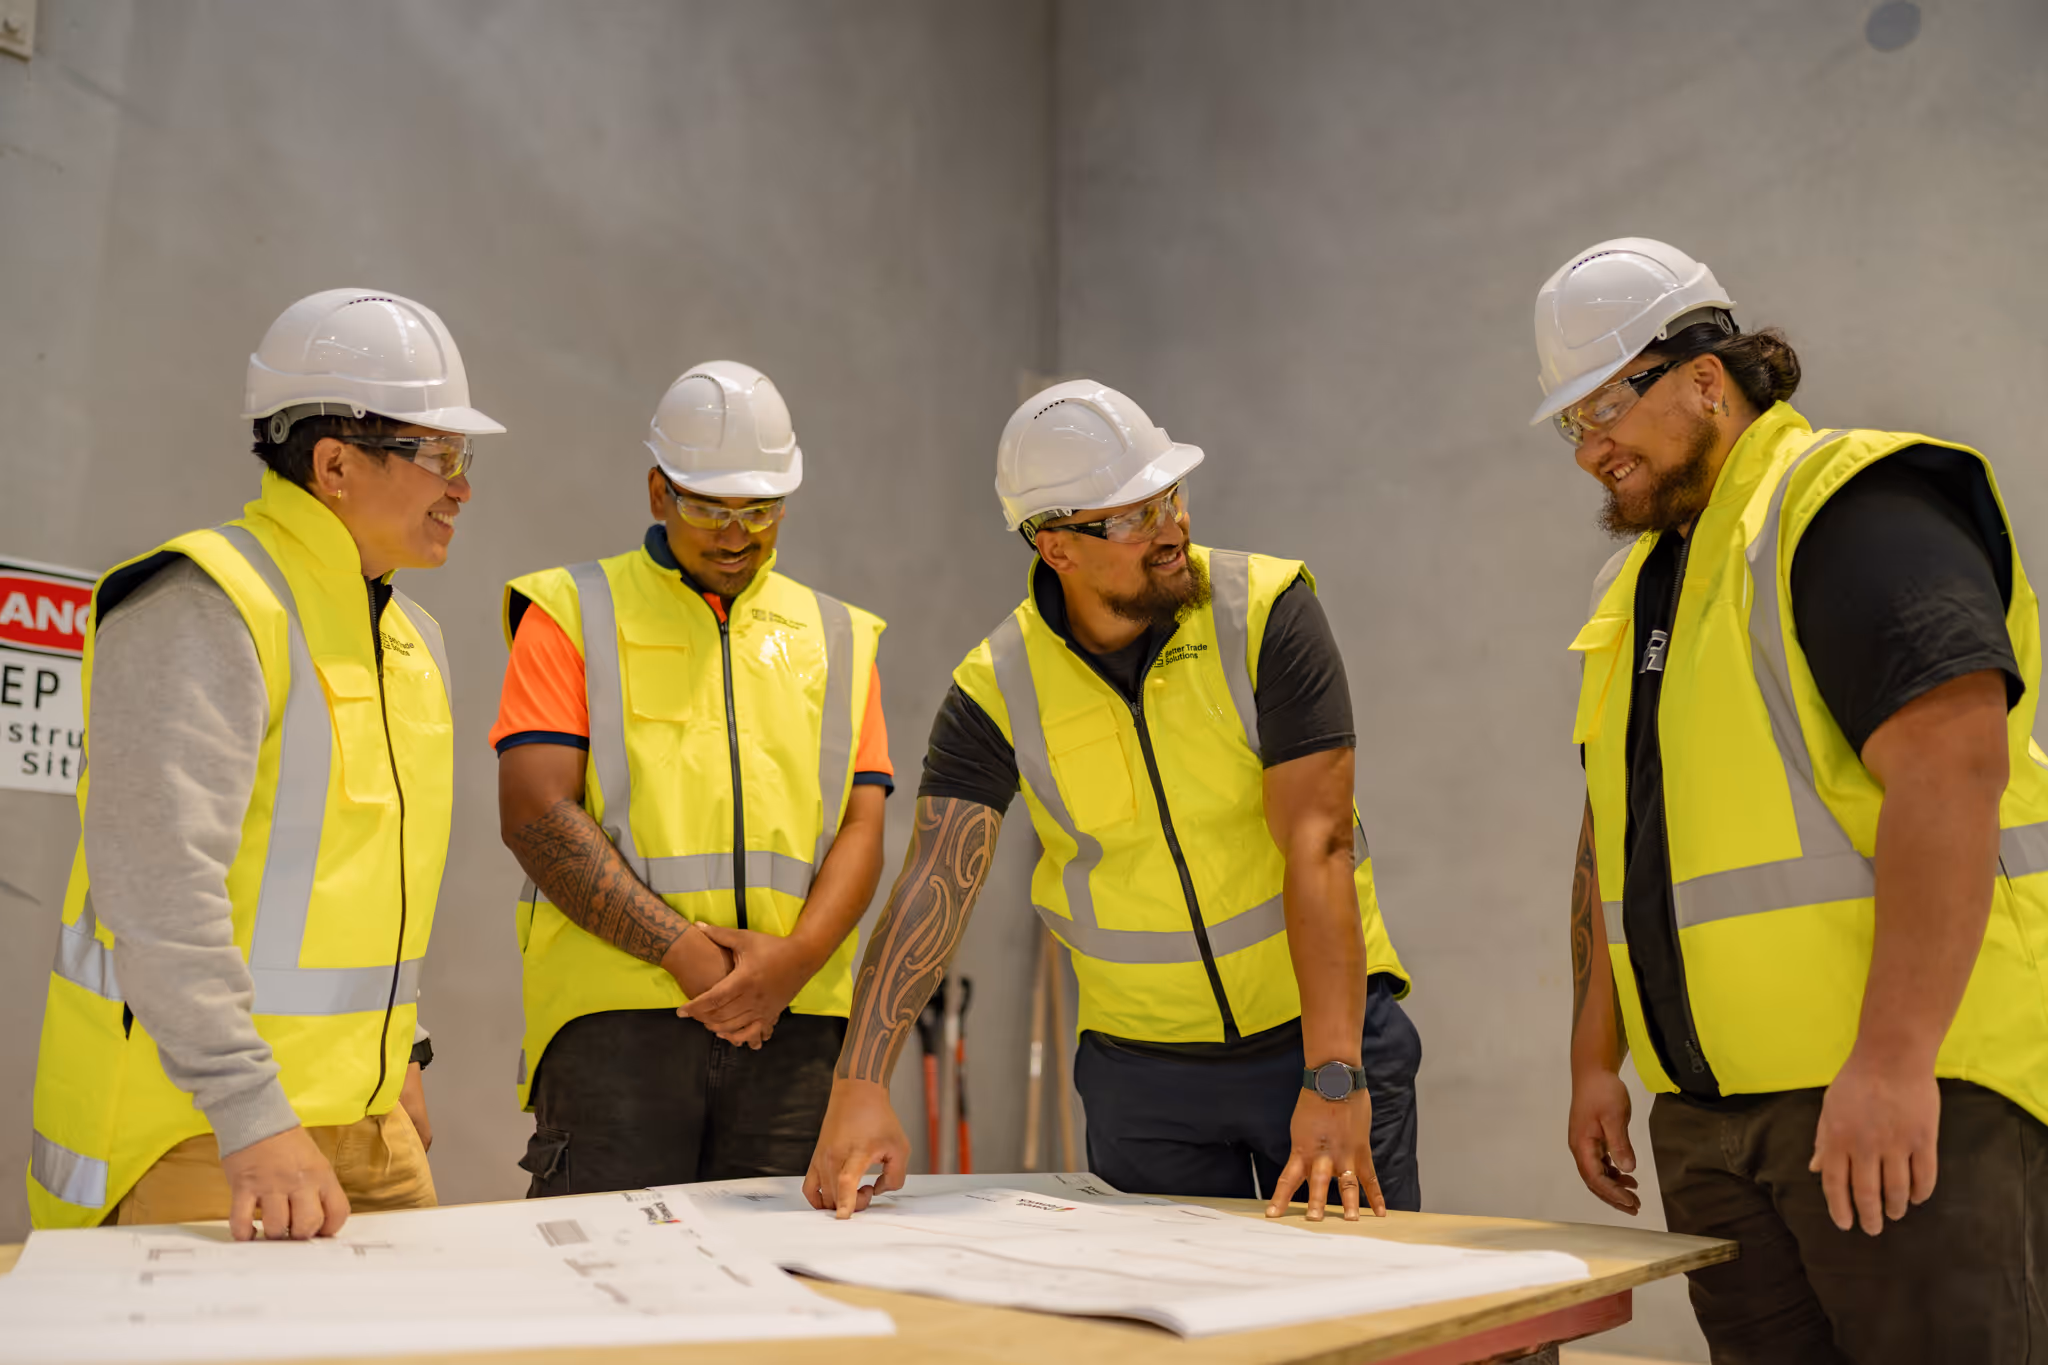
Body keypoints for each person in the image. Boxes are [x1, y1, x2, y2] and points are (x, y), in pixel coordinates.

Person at [1542, 238, 2048, 1362]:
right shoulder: (1637, 588)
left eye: (1600, 413)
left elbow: (1949, 764)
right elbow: (1611, 835)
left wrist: (1890, 1060)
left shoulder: (1848, 505)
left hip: (1899, 1100)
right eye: (1570, 428)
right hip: (1717, 1127)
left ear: (1703, 379)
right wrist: (1596, 1057)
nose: (1589, 453)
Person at [806, 380, 1419, 1221]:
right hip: (1143, 1078)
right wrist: (860, 1083)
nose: (1171, 529)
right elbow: (932, 883)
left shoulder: (1265, 613)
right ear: (1056, 547)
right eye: (1131, 517)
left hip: (1315, 1041)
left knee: (1361, 1333)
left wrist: (1335, 1074)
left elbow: (1320, 845)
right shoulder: (998, 686)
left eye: (1170, 495)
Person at [28, 288, 501, 1239]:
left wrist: (400, 1049)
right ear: (333, 463)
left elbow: (360, 886)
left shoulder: (411, 636)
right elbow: (158, 890)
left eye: (465, 458)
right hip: (208, 1130)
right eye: (438, 455)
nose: (462, 486)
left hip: (367, 1121)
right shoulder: (207, 601)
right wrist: (252, 1117)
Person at [495, 360, 892, 1194]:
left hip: (797, 1023)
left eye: (761, 508)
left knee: (787, 1291)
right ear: (656, 491)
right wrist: (682, 952)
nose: (737, 532)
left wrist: (794, 962)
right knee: (609, 1287)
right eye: (710, 505)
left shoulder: (838, 636)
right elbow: (536, 809)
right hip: (617, 1023)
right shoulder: (571, 609)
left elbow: (863, 825)